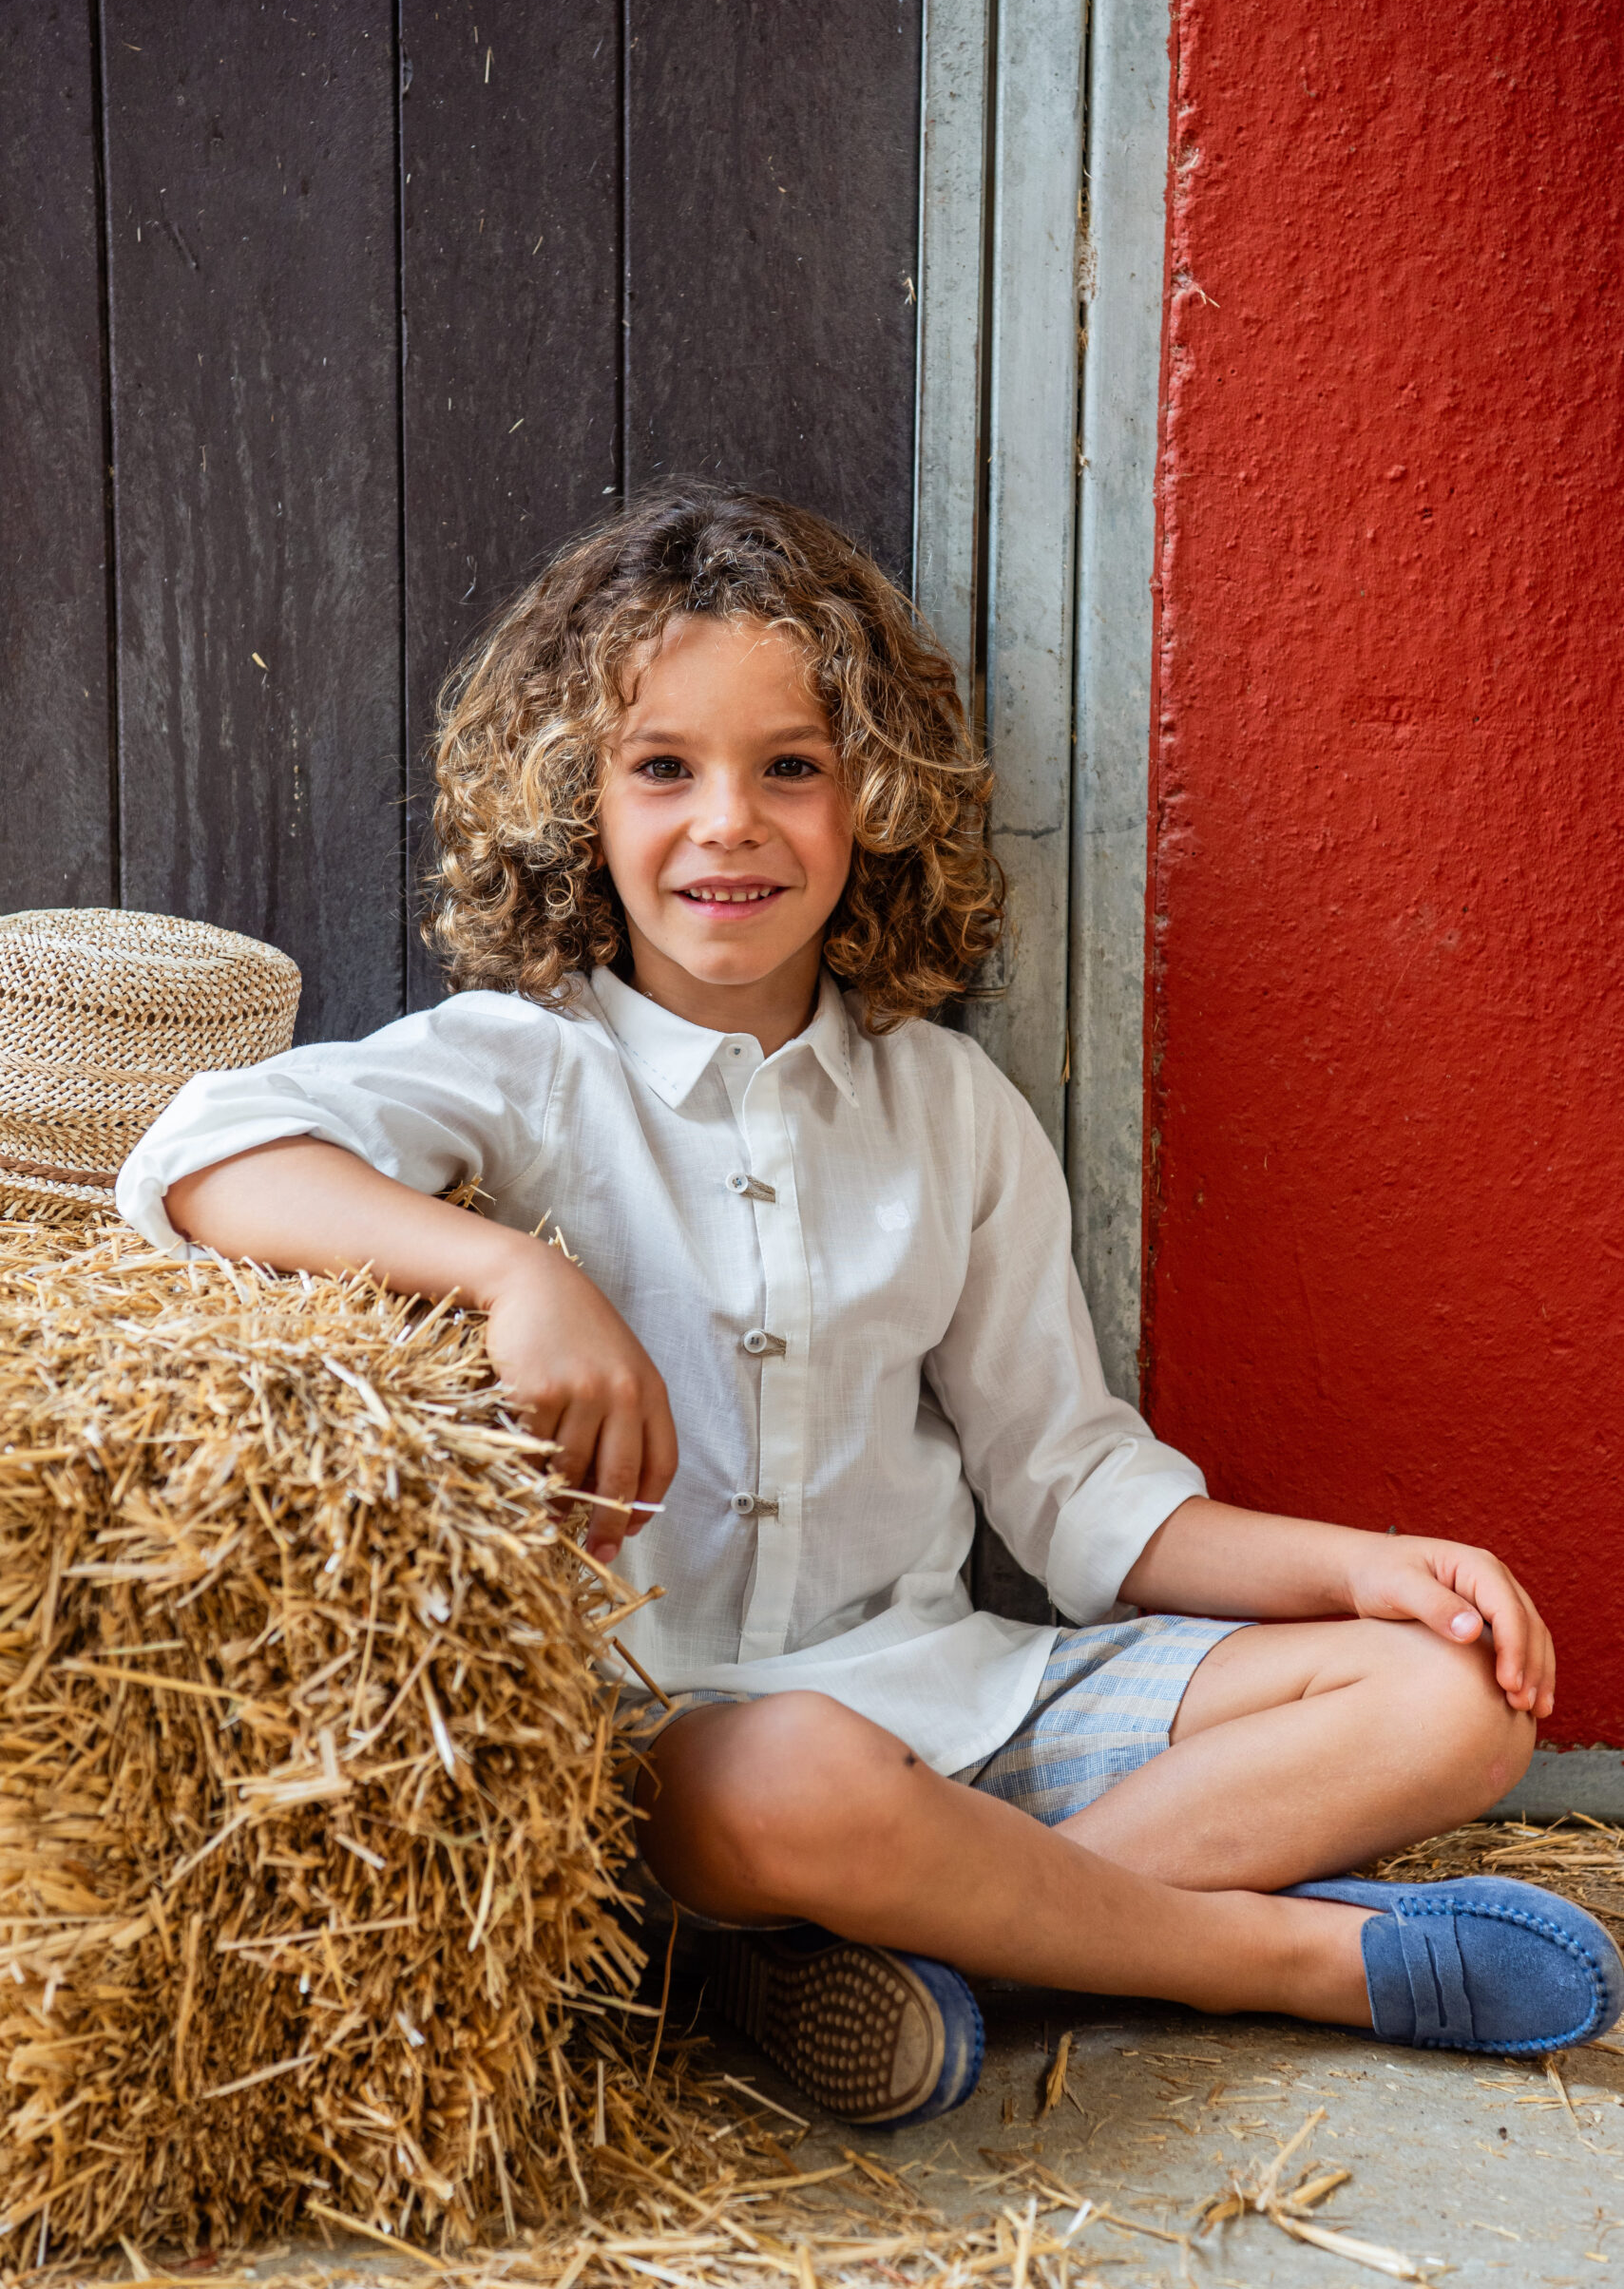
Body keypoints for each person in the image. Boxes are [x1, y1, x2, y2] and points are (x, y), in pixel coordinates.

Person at [117, 485, 1620, 2126]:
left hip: (959, 1700)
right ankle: (1261, 1957)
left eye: (791, 767)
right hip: (688, 1751)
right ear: (577, 799)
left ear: (872, 796)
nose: (729, 823)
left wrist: (1361, 1570)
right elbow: (201, 1153)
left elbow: (1072, 1488)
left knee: (1451, 1703)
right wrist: (514, 1270)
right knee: (801, 1781)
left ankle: (901, 1950)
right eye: (661, 767)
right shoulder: (526, 1064)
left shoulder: (951, 1107)